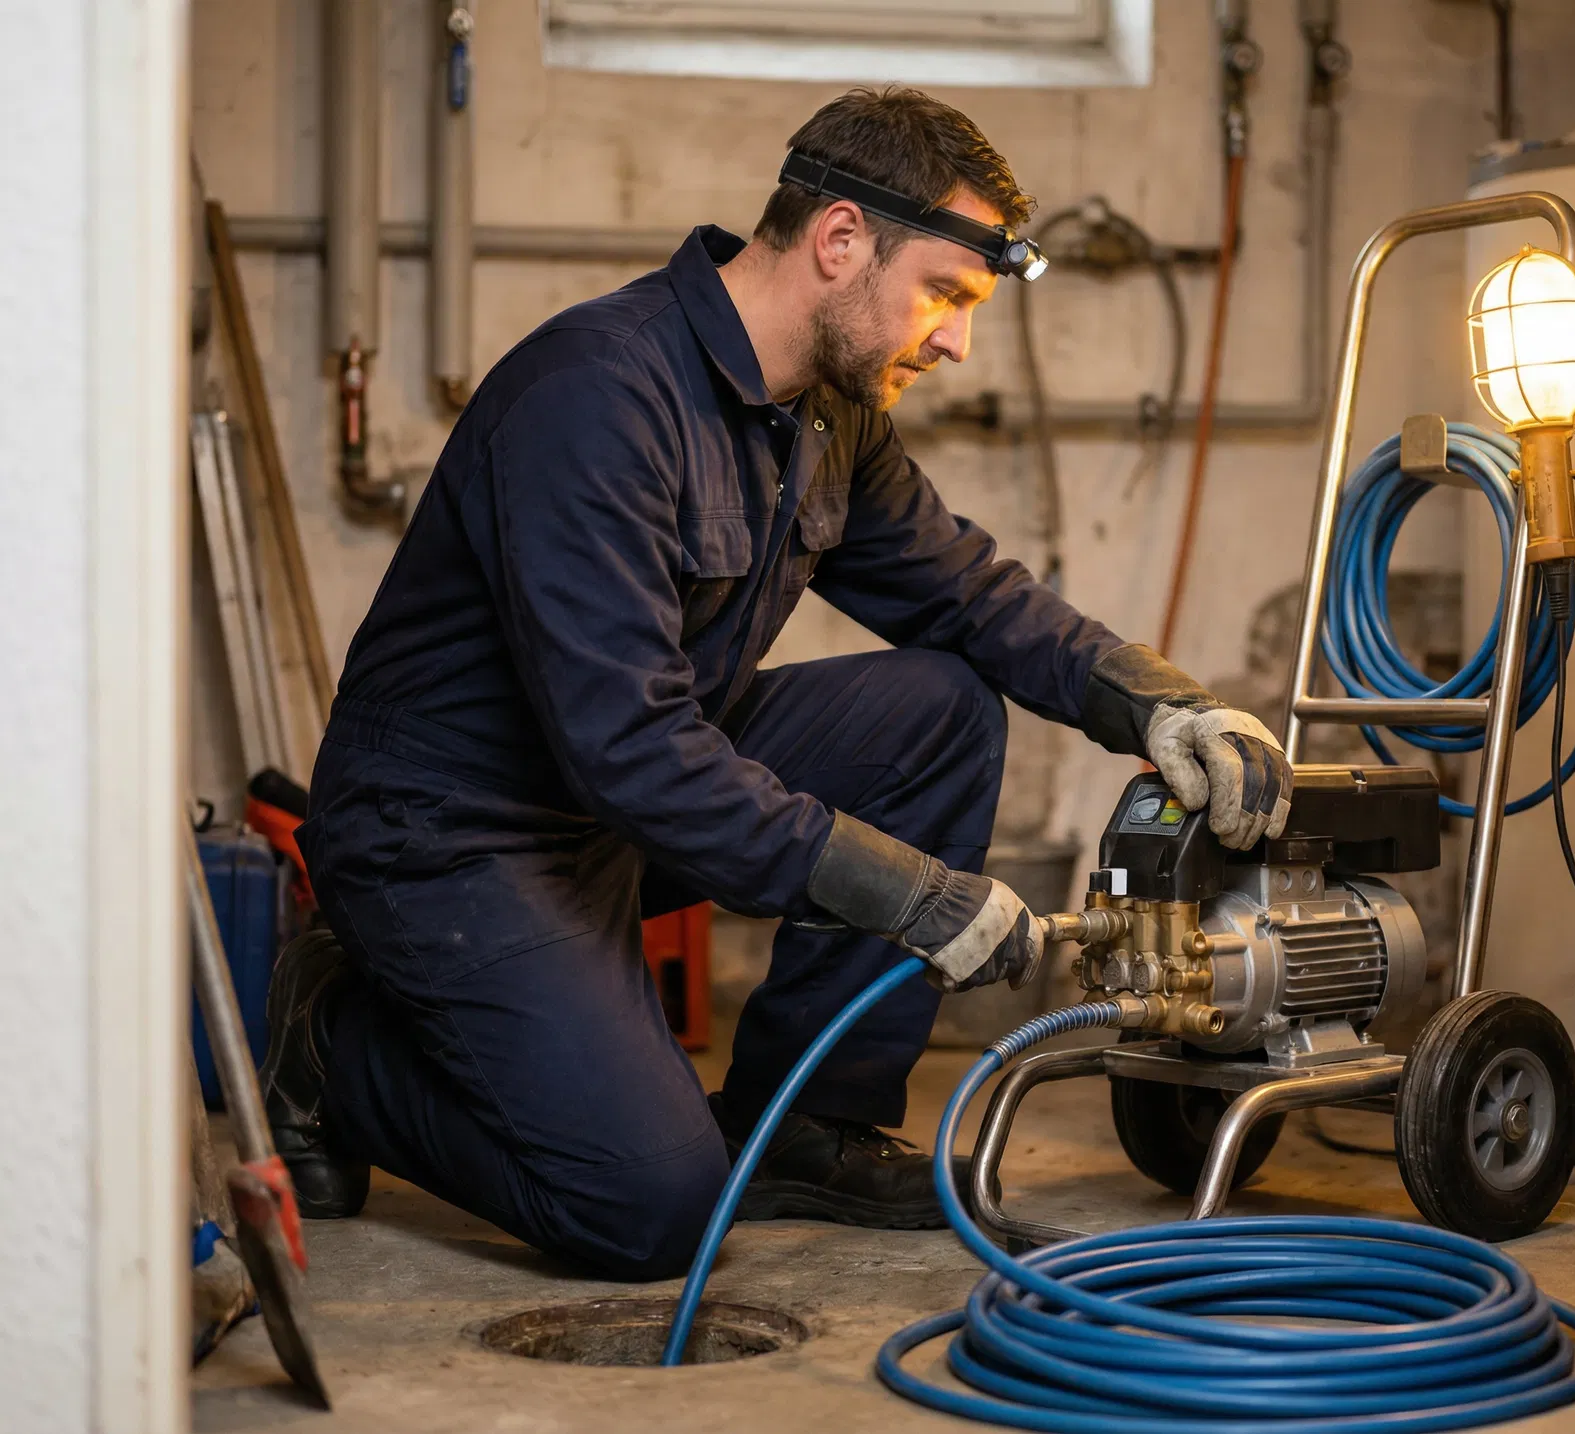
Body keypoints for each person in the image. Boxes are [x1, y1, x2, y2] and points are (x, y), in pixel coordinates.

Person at [262, 86, 1293, 1280]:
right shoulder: (594, 397)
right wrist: (909, 895)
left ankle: (806, 1121)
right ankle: (330, 1034)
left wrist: (1161, 703)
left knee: (937, 712)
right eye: (948, 297)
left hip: (610, 809)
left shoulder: (825, 414)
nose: (958, 341)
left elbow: (963, 592)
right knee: (653, 1211)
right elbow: (633, 748)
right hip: (449, 840)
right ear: (841, 242)